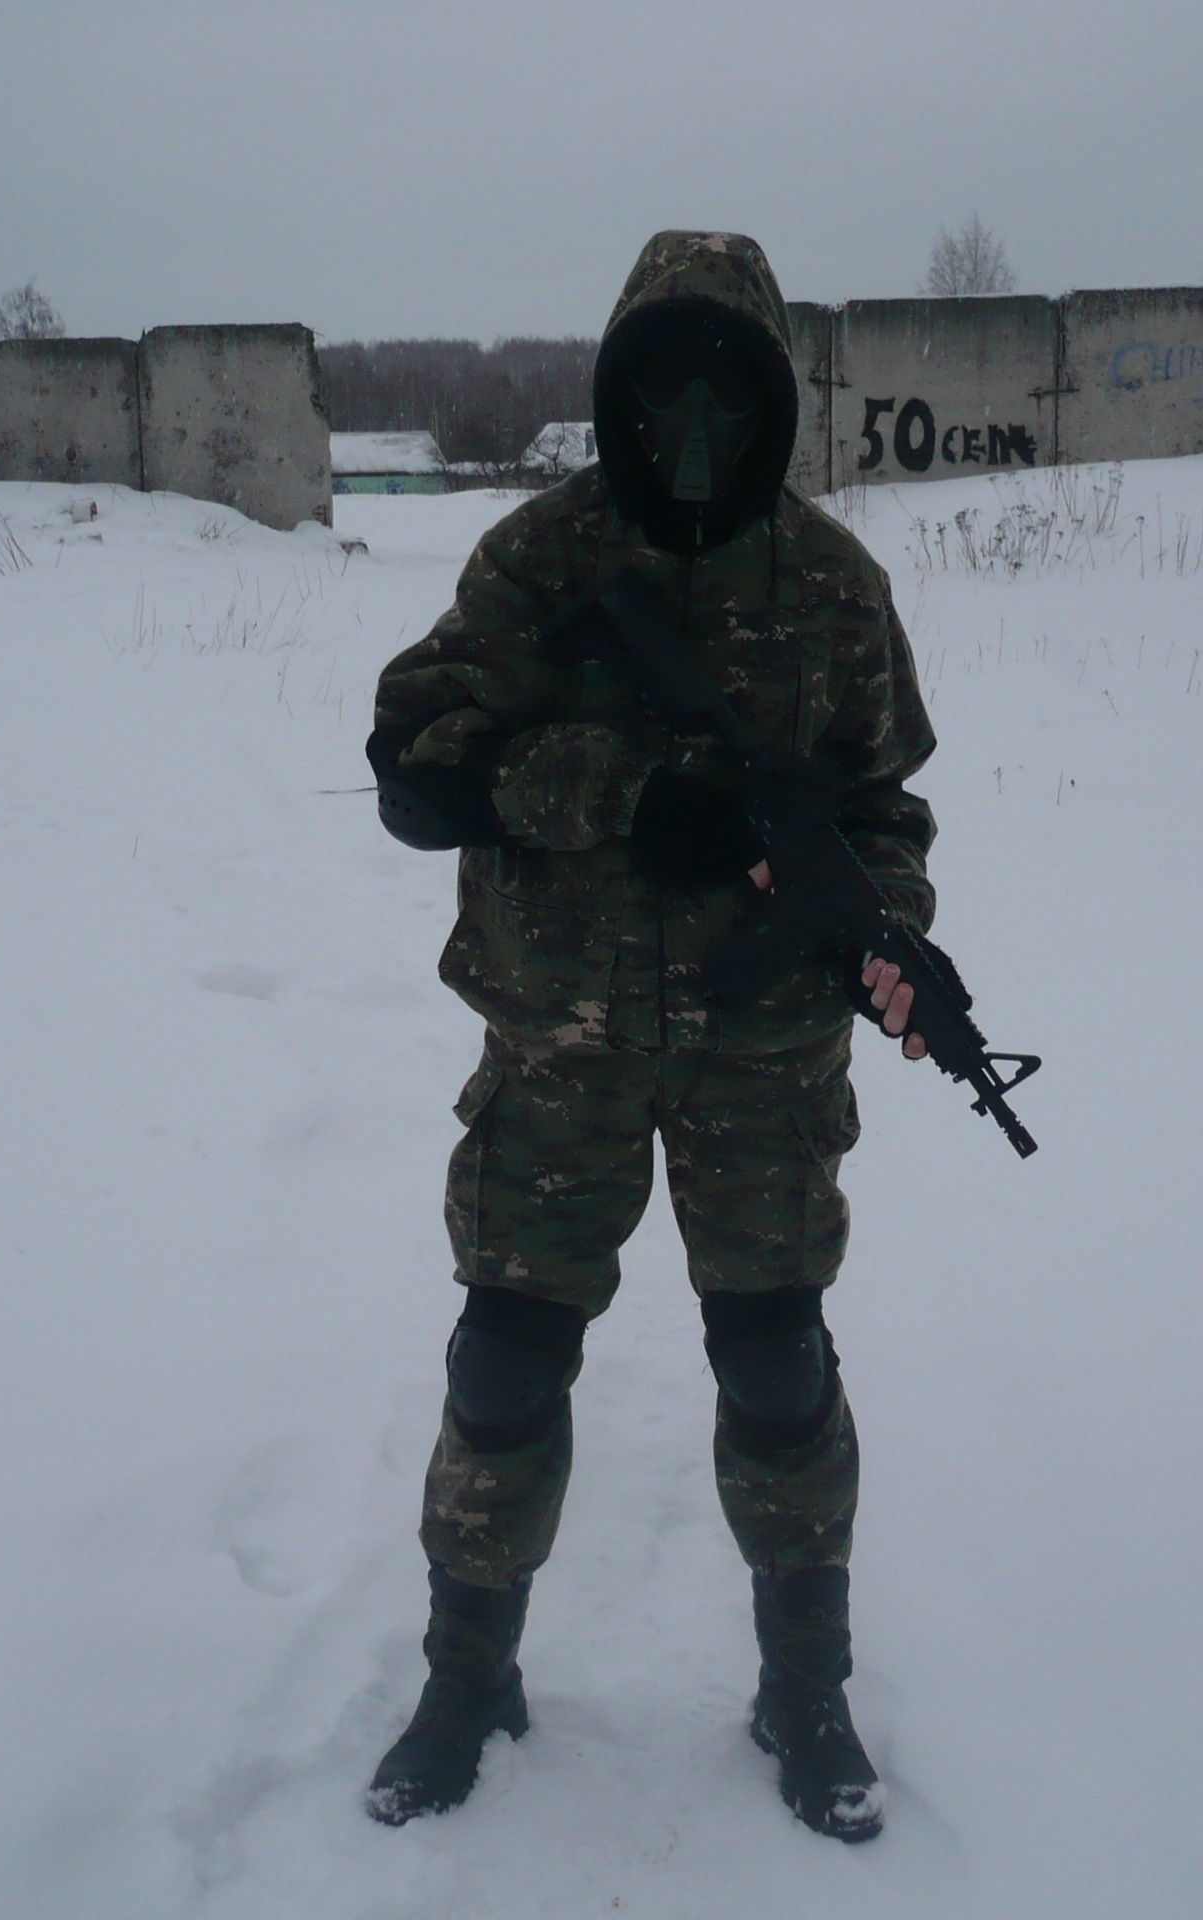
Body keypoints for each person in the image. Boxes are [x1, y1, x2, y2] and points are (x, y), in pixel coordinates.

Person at [360, 231, 937, 1844]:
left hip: (764, 1057)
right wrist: (621, 794)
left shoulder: (834, 587)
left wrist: (885, 934)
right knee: (503, 1365)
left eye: (727, 396)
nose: (693, 430)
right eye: (663, 393)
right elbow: (416, 764)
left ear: (773, 403)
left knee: (777, 1367)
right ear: (619, 394)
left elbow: (883, 808)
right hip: (563, 1045)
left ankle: (805, 1689)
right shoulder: (541, 560)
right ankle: (467, 1681)